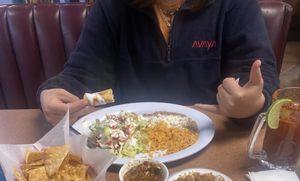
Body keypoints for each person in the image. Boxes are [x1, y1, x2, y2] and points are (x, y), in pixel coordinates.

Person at [39, 0, 279, 125]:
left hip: (213, 137)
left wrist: (252, 102)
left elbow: (258, 75)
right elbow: (82, 75)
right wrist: (52, 94)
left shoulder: (237, 5)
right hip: (126, 141)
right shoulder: (111, 6)